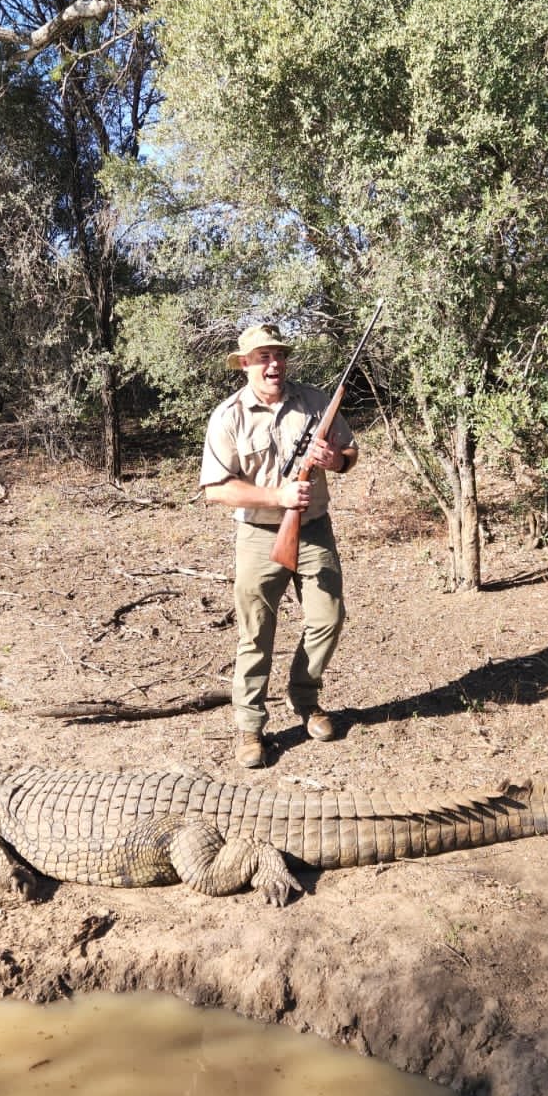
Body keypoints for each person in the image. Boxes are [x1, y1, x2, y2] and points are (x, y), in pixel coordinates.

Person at [200, 322, 358, 768]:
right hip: (257, 535)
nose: (273, 364)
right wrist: (277, 497)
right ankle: (251, 728)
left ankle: (305, 698)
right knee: (255, 632)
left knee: (328, 618)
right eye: (263, 357)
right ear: (246, 364)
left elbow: (350, 453)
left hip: (314, 529)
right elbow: (216, 488)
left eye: (278, 355)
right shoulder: (228, 415)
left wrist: (336, 460)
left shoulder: (315, 402)